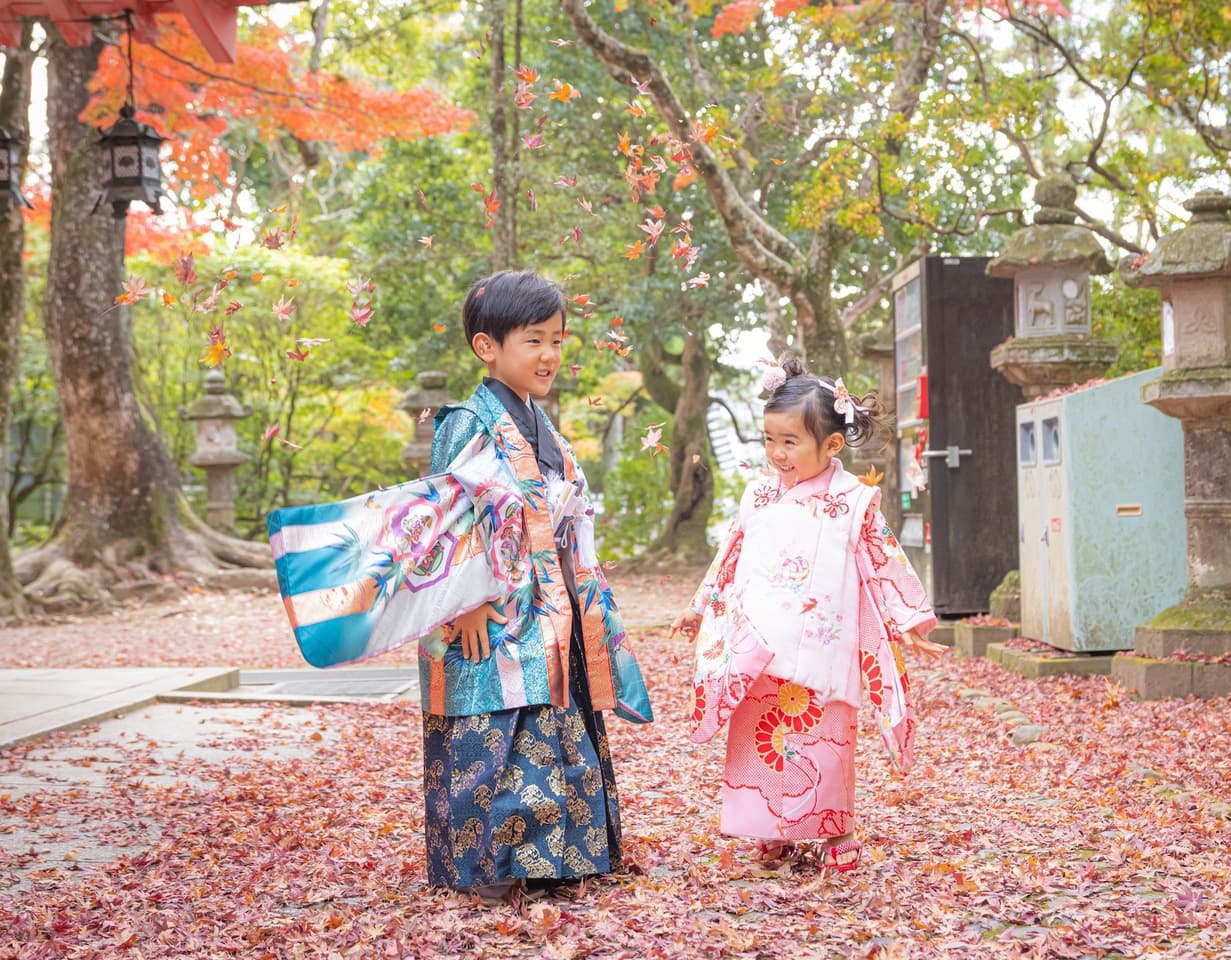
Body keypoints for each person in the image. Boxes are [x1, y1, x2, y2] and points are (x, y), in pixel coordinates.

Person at [268, 269, 651, 905]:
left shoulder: (541, 425)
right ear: (487, 348)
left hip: (547, 600)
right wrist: (464, 603)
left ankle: (559, 859)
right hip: (487, 608)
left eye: (558, 340)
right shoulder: (465, 422)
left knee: (553, 714)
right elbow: (447, 516)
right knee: (494, 725)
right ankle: (494, 867)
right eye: (534, 340)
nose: (550, 355)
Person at [672, 357, 942, 873]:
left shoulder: (853, 500)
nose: (777, 454)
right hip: (760, 641)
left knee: (824, 744)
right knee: (761, 740)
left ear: (832, 445)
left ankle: (835, 833)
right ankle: (773, 827)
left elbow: (882, 560)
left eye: (790, 442)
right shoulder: (760, 493)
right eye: (769, 440)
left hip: (823, 643)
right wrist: (700, 604)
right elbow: (730, 551)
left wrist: (907, 620)